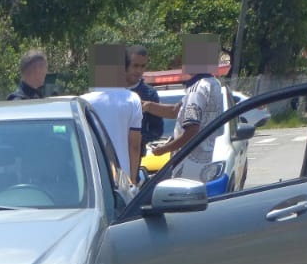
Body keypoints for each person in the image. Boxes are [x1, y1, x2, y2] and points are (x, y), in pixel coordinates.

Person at [141, 35, 224, 182]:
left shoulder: (197, 90)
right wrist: (148, 106)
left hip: (189, 166)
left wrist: (164, 150)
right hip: (205, 161)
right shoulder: (214, 84)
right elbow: (176, 111)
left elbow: (191, 130)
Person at [81, 44, 143, 182]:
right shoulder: (132, 99)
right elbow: (134, 144)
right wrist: (133, 180)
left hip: (93, 176)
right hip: (122, 178)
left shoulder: (83, 102)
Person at [126, 45, 163, 154]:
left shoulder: (150, 94)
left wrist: (139, 137)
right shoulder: (113, 92)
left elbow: (157, 130)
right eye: (135, 65)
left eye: (143, 66)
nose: (139, 70)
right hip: (110, 153)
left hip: (136, 153)